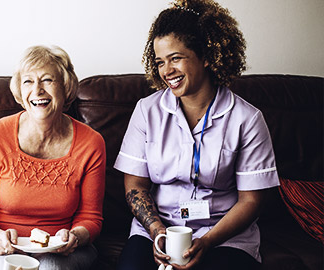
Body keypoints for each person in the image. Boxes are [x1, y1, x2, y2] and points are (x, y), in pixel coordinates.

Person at [114, 1, 280, 270]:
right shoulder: (147, 111)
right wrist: (157, 231)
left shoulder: (247, 119)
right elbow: (135, 185)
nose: (167, 71)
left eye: (176, 58)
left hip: (223, 235)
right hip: (158, 230)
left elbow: (252, 200)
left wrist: (208, 241)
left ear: (205, 56)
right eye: (160, 62)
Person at [0, 45, 106, 270]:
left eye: (47, 80)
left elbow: (91, 217)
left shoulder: (91, 143)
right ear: (20, 90)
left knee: (50, 269)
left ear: (66, 87)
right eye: (28, 81)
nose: (37, 90)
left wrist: (74, 236)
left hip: (60, 251)